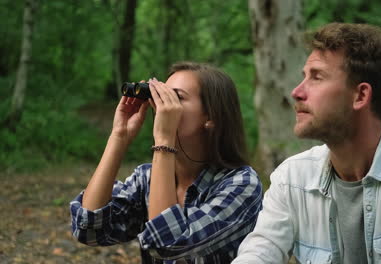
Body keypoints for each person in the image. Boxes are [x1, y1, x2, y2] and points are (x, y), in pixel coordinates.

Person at [232, 23, 381, 264]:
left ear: (361, 96)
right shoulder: (293, 179)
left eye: (317, 77)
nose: (297, 92)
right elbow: (258, 254)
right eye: (304, 76)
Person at [70, 62, 263, 264]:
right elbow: (89, 229)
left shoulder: (241, 185)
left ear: (212, 116)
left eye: (176, 97)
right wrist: (119, 136)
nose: (163, 107)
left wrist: (163, 140)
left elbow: (166, 244)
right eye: (161, 97)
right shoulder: (147, 178)